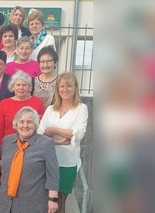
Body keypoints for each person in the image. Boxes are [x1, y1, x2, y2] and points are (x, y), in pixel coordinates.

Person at [37, 72, 88, 213]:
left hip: (67, 163)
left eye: (69, 86)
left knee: (58, 205)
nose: (65, 90)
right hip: (47, 163)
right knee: (45, 204)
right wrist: (59, 141)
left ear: (75, 88)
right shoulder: (50, 109)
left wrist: (53, 130)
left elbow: (79, 133)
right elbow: (40, 133)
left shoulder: (81, 108)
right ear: (57, 89)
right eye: (62, 86)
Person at [0, 107, 59, 213]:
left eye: (29, 122)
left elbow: (53, 174)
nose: (25, 125)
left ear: (35, 125)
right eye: (21, 122)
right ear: (16, 124)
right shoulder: (6, 141)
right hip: (6, 203)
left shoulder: (46, 143)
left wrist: (53, 199)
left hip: (33, 204)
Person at [0, 70, 45, 142]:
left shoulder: (38, 102)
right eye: (18, 85)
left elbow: (42, 126)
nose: (21, 88)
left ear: (29, 87)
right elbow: (0, 129)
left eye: (24, 85)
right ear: (13, 87)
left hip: (33, 144)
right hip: (9, 144)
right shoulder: (4, 103)